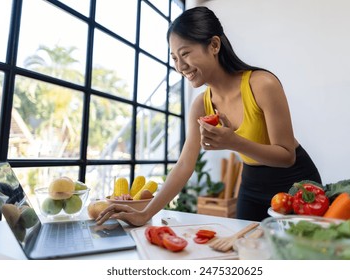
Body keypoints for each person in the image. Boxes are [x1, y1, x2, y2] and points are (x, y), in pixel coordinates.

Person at [96, 6, 322, 225]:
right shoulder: (201, 105)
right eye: (174, 57)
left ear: (214, 45)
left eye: (185, 53)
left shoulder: (262, 84)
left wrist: (234, 142)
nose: (180, 66)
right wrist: (144, 214)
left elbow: (286, 156)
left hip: (296, 183)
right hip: (251, 184)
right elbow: (185, 164)